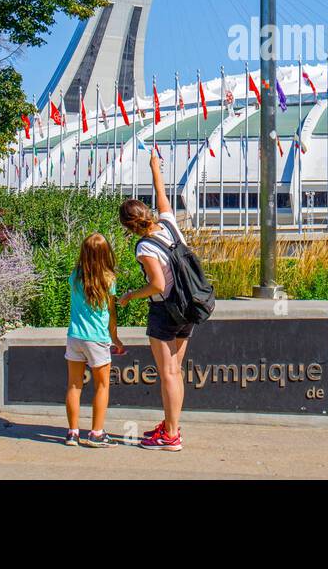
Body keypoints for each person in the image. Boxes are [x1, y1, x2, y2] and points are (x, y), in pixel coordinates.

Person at [117, 150, 192, 451]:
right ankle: (171, 425)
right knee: (176, 371)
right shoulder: (169, 223)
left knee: (169, 374)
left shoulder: (145, 248)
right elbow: (161, 191)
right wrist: (154, 167)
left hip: (165, 311)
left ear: (129, 226)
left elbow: (157, 284)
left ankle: (170, 436)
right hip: (188, 306)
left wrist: (130, 296)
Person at [64, 232, 125, 447]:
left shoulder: (74, 276)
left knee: (74, 385)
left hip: (74, 337)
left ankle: (72, 432)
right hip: (97, 339)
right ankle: (96, 432)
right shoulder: (109, 280)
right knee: (101, 386)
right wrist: (115, 338)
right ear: (106, 254)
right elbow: (111, 312)